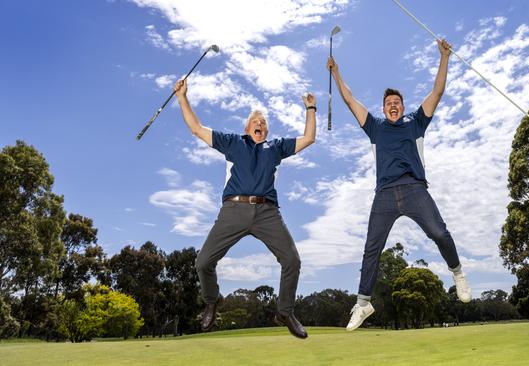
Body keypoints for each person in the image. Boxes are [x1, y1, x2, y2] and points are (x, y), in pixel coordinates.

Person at [327, 38, 472, 331]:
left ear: (402, 107)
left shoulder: (415, 122)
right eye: (388, 103)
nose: (393, 105)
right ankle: (364, 302)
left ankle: (457, 272)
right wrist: (336, 73)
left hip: (414, 189)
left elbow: (437, 91)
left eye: (397, 102)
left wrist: (444, 57)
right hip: (384, 195)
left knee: (439, 233)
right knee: (371, 248)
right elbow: (349, 100)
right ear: (383, 109)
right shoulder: (375, 127)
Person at [173, 78, 316, 339]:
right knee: (203, 261)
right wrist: (182, 97)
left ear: (267, 131)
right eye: (255, 121)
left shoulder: (276, 148)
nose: (259, 124)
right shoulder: (233, 143)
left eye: (263, 123)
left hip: (267, 213)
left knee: (292, 260)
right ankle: (212, 300)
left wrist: (310, 108)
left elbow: (309, 138)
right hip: (233, 210)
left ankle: (285, 311)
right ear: (246, 128)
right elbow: (196, 128)